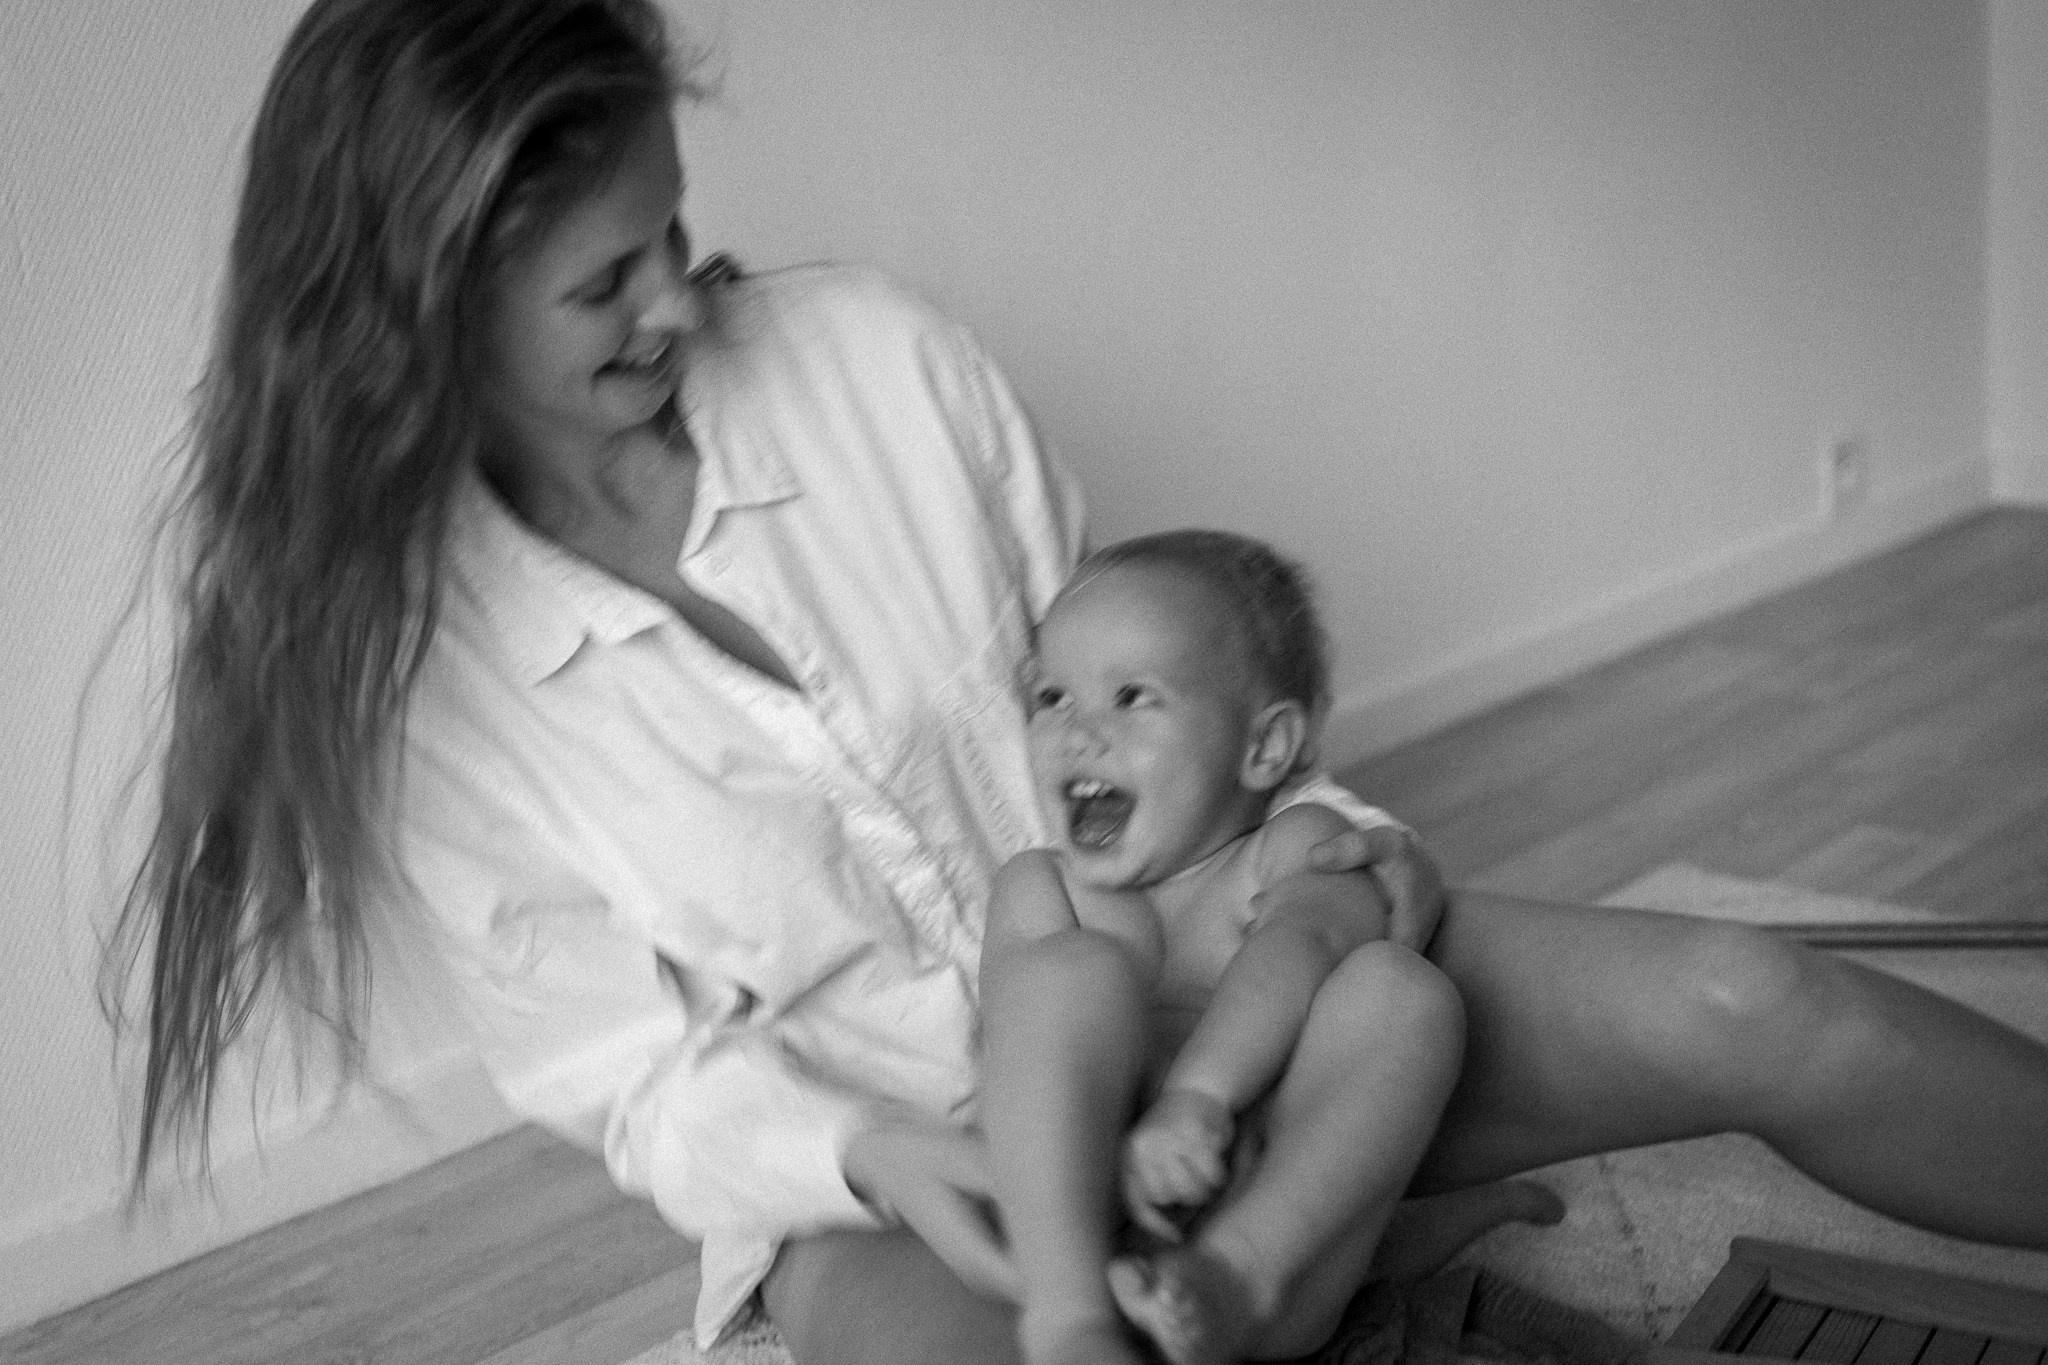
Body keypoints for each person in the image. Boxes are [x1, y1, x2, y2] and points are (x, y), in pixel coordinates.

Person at [103, 1, 2048, 1362]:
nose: (679, 305)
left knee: (1760, 994)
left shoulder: (873, 358)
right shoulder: (424, 676)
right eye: (602, 283)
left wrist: (1322, 866)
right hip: (903, 1164)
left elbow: (1139, 692)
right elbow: (632, 1078)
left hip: (1215, 997)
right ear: (420, 299)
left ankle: (1303, 1247)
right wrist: (879, 1153)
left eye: (674, 237)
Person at [981, 529, 1562, 1365]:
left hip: (1272, 1234)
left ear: (1263, 748)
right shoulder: (1042, 888)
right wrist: (1128, 1148)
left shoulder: (1294, 847)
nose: (1078, 731)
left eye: (1133, 696)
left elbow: (1303, 942)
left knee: (1402, 988)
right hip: (1078, 1223)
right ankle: (1069, 1324)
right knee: (1065, 973)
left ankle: (1237, 1276)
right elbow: (1016, 1065)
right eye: (1052, 697)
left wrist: (1199, 1098)